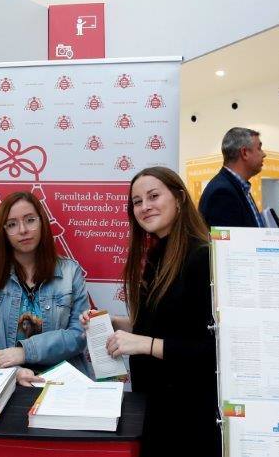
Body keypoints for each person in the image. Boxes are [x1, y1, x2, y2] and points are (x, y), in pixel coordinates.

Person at [84, 167, 218, 457]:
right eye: (137, 201)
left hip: (188, 414)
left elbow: (211, 350)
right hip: (156, 404)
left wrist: (145, 344)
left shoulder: (201, 257)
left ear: (180, 197)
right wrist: (114, 324)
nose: (144, 207)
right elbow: (165, 326)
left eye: (153, 196)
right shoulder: (158, 253)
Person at [0, 191, 89, 386]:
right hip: (6, 381)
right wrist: (14, 371)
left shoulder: (70, 271)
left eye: (30, 220)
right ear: (3, 231)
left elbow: (79, 335)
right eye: (12, 224)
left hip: (63, 381)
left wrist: (25, 352)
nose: (23, 230)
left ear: (42, 223)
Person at [198, 126, 267, 228]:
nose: (264, 154)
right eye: (259, 148)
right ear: (244, 153)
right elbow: (226, 243)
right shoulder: (222, 194)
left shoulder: (238, 188)